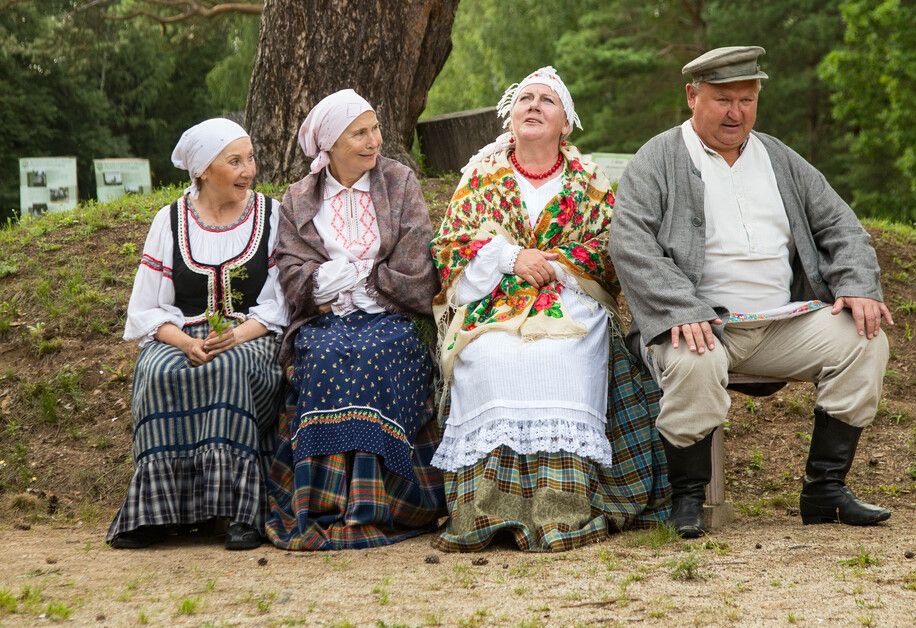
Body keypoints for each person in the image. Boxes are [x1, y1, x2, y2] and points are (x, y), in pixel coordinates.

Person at [610, 46, 893, 538]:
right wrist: (681, 309)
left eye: (747, 99)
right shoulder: (657, 158)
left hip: (782, 322)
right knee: (695, 361)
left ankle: (824, 491)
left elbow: (841, 226)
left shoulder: (779, 158)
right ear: (692, 96)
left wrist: (856, 285)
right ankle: (688, 499)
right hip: (701, 324)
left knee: (864, 341)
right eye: (723, 100)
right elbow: (630, 244)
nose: (736, 113)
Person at [430, 67, 670, 552]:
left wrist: (553, 264)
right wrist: (509, 258)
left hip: (570, 299)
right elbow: (450, 247)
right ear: (510, 118)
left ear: (565, 124)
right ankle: (486, 510)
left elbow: (610, 249)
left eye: (547, 100)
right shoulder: (481, 177)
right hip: (494, 301)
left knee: (561, 356)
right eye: (525, 98)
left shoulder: (589, 182)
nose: (534, 105)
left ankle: (561, 509)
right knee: (491, 357)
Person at [265, 90, 446, 550]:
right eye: (359, 133)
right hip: (324, 321)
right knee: (324, 355)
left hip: (392, 315)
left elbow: (417, 263)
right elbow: (292, 270)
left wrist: (355, 279)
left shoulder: (398, 182)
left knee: (376, 352)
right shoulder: (300, 198)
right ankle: (325, 503)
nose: (374, 141)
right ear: (330, 144)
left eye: (375, 128)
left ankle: (380, 504)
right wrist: (329, 284)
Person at [108, 119, 288, 550]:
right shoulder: (169, 221)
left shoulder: (272, 215)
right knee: (156, 371)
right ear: (204, 170)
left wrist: (237, 335)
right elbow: (146, 308)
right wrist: (187, 342)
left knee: (229, 369)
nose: (249, 170)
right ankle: (156, 513)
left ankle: (241, 513)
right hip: (182, 335)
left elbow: (280, 303)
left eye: (250, 159)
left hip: (251, 336)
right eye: (235, 161)